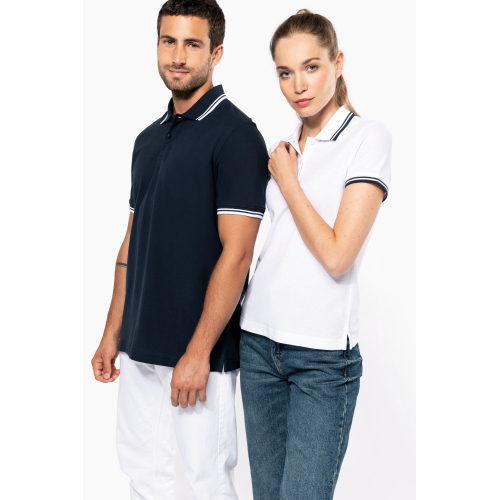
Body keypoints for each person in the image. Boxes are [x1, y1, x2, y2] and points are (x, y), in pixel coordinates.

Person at [90, 1, 269, 498]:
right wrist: (112, 332)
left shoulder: (236, 136)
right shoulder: (148, 140)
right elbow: (132, 242)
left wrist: (199, 351)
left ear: (216, 53)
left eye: (193, 44)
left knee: (205, 480)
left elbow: (238, 254)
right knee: (143, 475)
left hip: (198, 353)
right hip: (140, 344)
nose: (178, 56)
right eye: (169, 41)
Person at [239, 9, 392, 500]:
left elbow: (338, 255)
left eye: (311, 67)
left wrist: (288, 181)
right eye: (285, 73)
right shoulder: (285, 146)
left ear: (337, 63)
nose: (298, 85)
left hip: (323, 358)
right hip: (257, 345)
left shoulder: (367, 138)